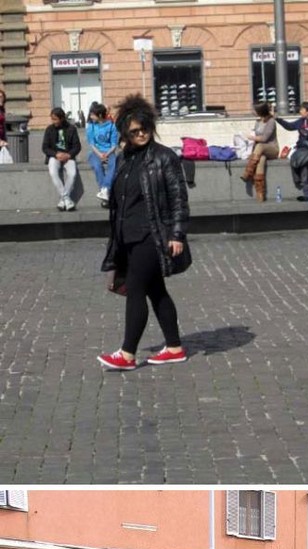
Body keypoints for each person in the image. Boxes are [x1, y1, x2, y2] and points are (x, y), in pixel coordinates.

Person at [98, 94, 191, 371]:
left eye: (144, 129)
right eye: (134, 131)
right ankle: (174, 347)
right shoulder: (126, 157)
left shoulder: (164, 157)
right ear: (125, 132)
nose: (140, 135)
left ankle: (127, 354)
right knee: (156, 291)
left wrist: (177, 234)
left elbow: (178, 197)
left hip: (153, 235)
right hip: (128, 235)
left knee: (136, 289)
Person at [42, 108, 81, 211]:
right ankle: (66, 198)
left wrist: (69, 155)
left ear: (62, 118)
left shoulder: (71, 129)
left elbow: (77, 146)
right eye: (52, 119)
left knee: (72, 174)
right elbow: (45, 147)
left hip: (69, 156)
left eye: (55, 119)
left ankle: (63, 200)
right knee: (53, 172)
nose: (53, 121)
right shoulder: (49, 129)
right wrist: (56, 154)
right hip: (54, 156)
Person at [239, 101, 279, 201]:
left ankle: (248, 172)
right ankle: (260, 193)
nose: (253, 111)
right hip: (260, 151)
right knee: (261, 160)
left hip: (272, 148)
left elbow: (264, 138)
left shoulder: (271, 122)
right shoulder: (258, 122)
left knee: (260, 145)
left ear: (261, 111)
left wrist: (251, 137)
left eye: (255, 110)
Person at [86, 101, 119, 204]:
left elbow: (114, 144)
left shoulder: (112, 126)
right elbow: (92, 143)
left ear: (100, 115)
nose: (90, 116)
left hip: (109, 152)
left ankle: (105, 189)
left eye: (92, 114)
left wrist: (107, 154)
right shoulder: (91, 127)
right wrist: (100, 155)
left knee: (113, 166)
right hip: (96, 152)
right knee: (97, 166)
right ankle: (104, 191)